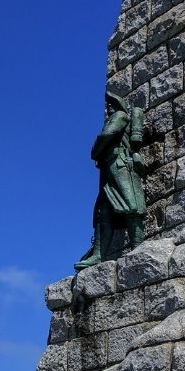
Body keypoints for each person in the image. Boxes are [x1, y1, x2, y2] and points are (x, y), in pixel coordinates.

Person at [75, 92, 146, 271]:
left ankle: (138, 246)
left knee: (131, 204)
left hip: (120, 166)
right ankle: (98, 254)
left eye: (110, 104)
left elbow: (106, 135)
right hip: (109, 169)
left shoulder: (119, 116)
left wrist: (95, 150)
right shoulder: (116, 116)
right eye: (107, 105)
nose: (107, 108)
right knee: (103, 212)